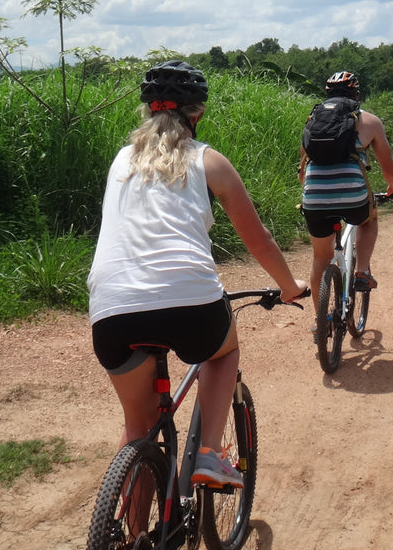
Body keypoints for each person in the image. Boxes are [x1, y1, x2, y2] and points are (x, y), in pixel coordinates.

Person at [88, 60, 307, 489]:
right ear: (198, 112)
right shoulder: (210, 161)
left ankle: (133, 548)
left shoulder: (119, 164)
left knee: (137, 428)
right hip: (190, 302)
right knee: (222, 353)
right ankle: (209, 454)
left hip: (112, 308)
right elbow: (258, 238)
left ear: (147, 110)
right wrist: (288, 286)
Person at [299, 71, 393, 313]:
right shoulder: (370, 121)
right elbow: (388, 168)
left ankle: (319, 323)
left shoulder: (313, 120)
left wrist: (312, 194)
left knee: (320, 259)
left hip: (313, 198)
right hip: (354, 197)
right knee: (369, 219)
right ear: (356, 94)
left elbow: (302, 170)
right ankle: (362, 271)